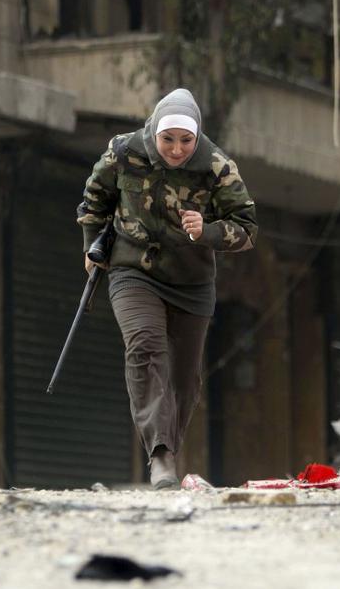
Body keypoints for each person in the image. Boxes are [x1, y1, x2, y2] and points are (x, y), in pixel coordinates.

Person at [77, 88, 258, 489]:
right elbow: (95, 197)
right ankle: (160, 456)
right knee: (145, 345)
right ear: (154, 132)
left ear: (197, 138)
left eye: (186, 141)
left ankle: (167, 450)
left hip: (191, 283)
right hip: (132, 270)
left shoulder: (217, 167)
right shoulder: (124, 151)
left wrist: (207, 231)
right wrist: (92, 244)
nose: (177, 150)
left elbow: (247, 231)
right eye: (168, 139)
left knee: (184, 381)